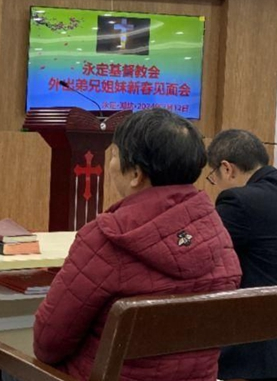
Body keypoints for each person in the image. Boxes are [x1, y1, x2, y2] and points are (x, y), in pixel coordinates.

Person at [32, 109, 241, 381]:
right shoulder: (218, 234)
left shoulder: (103, 240)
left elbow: (47, 345)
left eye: (115, 155)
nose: (111, 163)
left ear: (135, 175)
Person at [207, 129, 277, 381]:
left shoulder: (238, 201)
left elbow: (201, 254)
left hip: (263, 353)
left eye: (213, 177)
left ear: (227, 168)